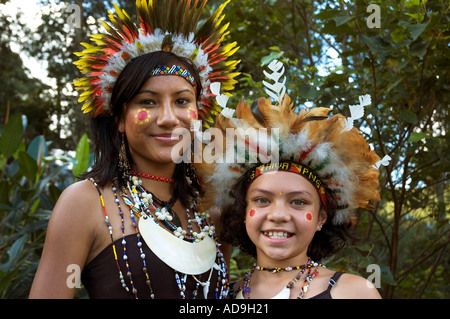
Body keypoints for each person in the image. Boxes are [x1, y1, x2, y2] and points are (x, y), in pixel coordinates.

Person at [29, 0, 239, 299]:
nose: (168, 118)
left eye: (181, 101)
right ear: (119, 120)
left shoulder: (212, 208)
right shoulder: (86, 203)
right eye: (147, 102)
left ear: (199, 113)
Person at [197, 84, 386, 299]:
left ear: (320, 218)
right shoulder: (222, 295)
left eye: (298, 202)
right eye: (261, 200)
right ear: (242, 212)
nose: (278, 215)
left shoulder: (354, 292)